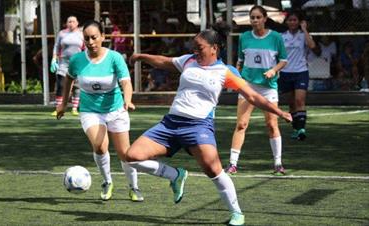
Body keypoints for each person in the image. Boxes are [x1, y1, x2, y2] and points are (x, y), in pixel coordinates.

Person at [125, 22, 292, 226]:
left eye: (200, 48)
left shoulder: (225, 72)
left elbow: (253, 96)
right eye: (194, 47)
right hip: (170, 124)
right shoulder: (188, 61)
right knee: (132, 156)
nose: (195, 51)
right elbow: (164, 61)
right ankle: (175, 175)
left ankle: (237, 213)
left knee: (214, 171)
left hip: (198, 127)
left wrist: (278, 111)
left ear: (214, 48)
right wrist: (142, 57)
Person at [56, 20, 144, 202]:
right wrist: (63, 104)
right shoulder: (77, 60)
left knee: (125, 153)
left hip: (116, 109)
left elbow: (126, 83)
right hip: (90, 110)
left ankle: (134, 187)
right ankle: (107, 181)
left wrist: (128, 101)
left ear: (103, 37)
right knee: (99, 145)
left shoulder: (115, 58)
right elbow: (68, 81)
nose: (90, 42)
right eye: (86, 38)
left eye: (94, 37)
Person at [225, 5, 288, 176]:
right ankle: (232, 164)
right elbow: (240, 62)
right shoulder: (244, 37)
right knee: (241, 124)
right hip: (248, 86)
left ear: (265, 18)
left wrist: (273, 70)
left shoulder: (276, 37)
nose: (254, 20)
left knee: (272, 124)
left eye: (258, 17)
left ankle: (277, 163)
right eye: (252, 17)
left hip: (268, 88)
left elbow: (283, 60)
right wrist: (237, 80)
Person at [278, 11, 316, 141]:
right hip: (285, 72)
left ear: (299, 22)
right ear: (286, 22)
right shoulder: (282, 36)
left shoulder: (303, 35)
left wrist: (305, 29)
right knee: (291, 104)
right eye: (290, 20)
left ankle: (302, 129)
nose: (292, 22)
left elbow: (312, 46)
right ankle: (296, 128)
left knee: (300, 100)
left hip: (301, 71)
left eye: (295, 20)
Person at [50, 16, 85, 116]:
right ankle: (58, 108)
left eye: (73, 21)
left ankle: (74, 108)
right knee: (61, 85)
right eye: (69, 21)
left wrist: (86, 60)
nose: (71, 23)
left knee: (76, 86)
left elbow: (86, 48)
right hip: (63, 63)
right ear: (66, 23)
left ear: (77, 23)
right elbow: (56, 46)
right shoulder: (62, 33)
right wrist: (54, 58)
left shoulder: (81, 34)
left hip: (77, 63)